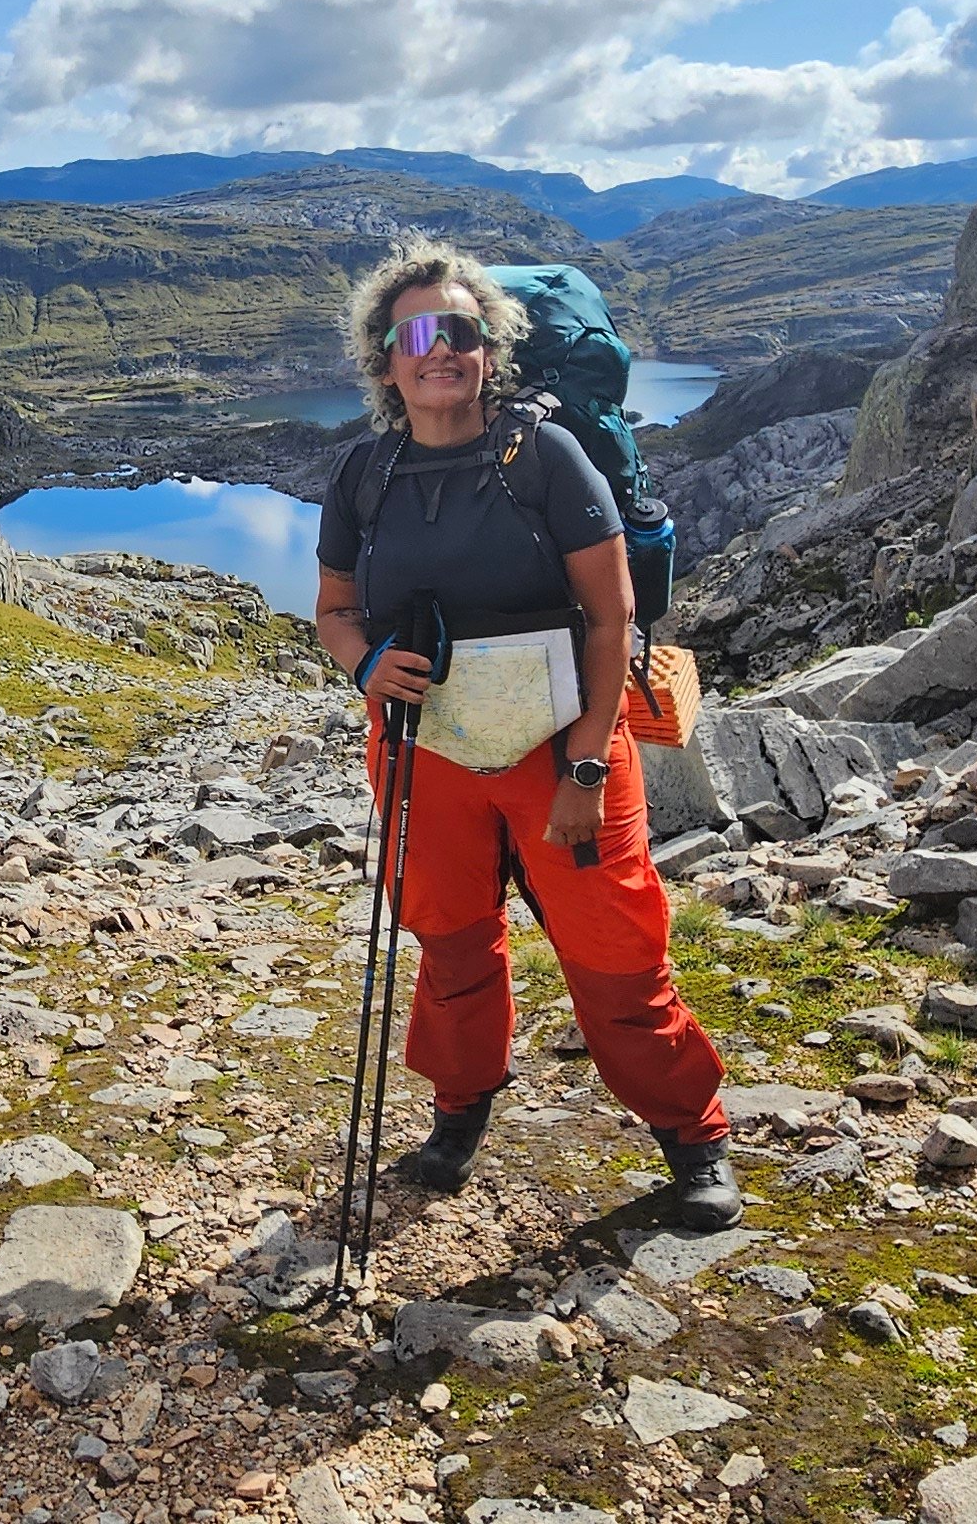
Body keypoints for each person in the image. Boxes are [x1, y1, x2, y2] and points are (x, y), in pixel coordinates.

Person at [308, 244, 738, 1229]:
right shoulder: (362, 476)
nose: (439, 351)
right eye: (415, 334)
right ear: (384, 361)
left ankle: (693, 1135)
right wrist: (366, 665)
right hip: (427, 758)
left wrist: (588, 758)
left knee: (615, 953)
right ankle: (459, 1113)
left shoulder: (543, 458)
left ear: (488, 351)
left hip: (561, 750)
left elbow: (608, 619)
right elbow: (334, 611)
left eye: (458, 331)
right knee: (452, 946)